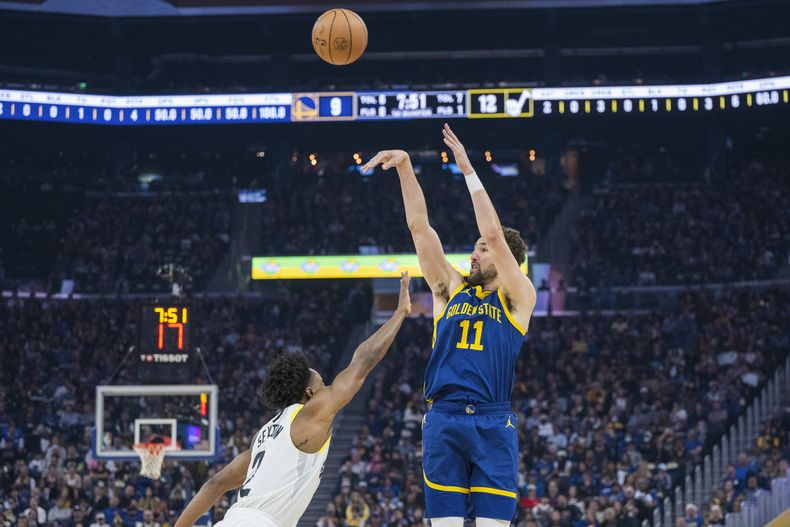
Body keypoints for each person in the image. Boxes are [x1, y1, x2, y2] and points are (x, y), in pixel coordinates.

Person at [363, 125, 537, 526]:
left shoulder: (518, 297)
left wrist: (467, 170)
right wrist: (406, 166)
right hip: (444, 418)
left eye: (481, 249)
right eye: (475, 247)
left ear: (506, 258)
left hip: (493, 421)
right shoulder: (449, 289)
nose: (474, 253)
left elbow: (493, 233)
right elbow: (420, 228)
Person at [174, 273, 412, 527]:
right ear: (310, 394)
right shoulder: (309, 413)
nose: (327, 388)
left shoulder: (262, 437)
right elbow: (363, 361)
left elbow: (215, 484)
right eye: (322, 384)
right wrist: (399, 313)